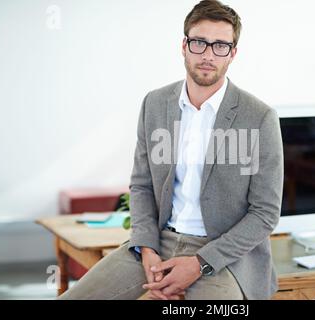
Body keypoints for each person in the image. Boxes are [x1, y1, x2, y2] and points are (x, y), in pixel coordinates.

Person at [59, 0, 283, 300]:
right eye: (199, 43)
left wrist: (199, 263)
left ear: (233, 53)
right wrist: (146, 247)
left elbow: (265, 213)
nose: (207, 54)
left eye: (220, 46)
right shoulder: (155, 103)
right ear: (184, 46)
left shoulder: (260, 117)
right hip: (158, 243)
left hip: (223, 257)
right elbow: (141, 185)